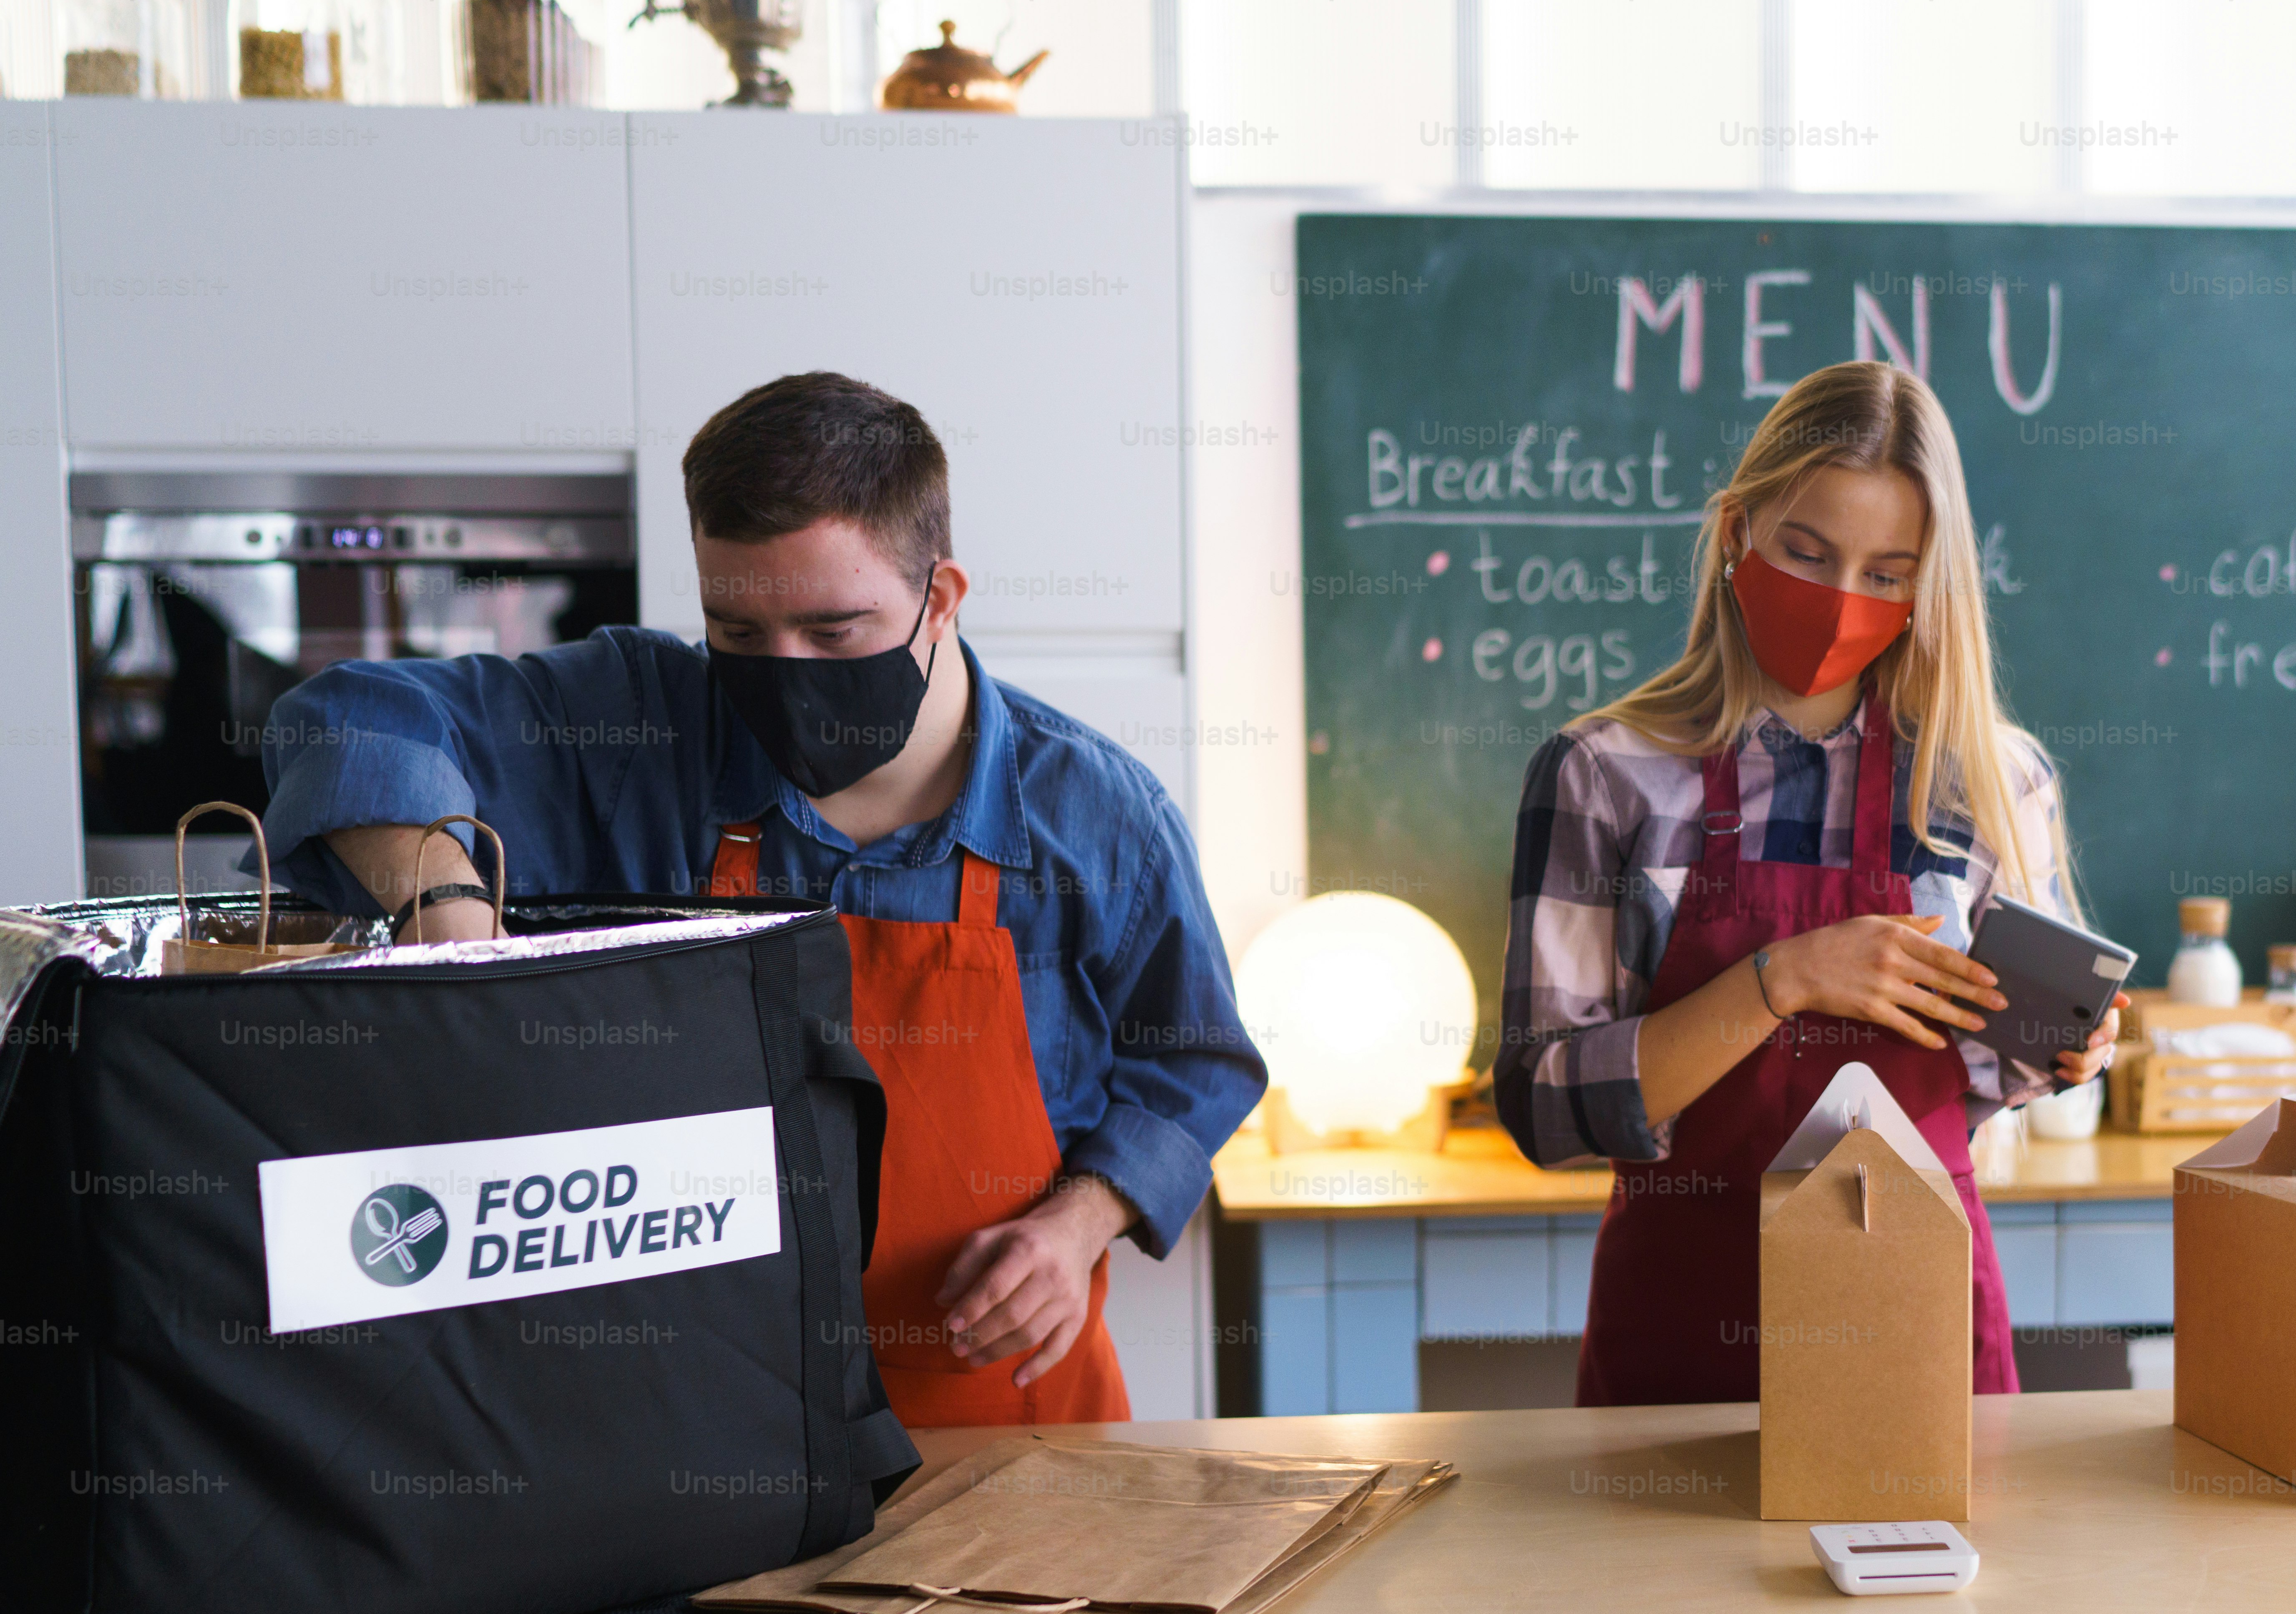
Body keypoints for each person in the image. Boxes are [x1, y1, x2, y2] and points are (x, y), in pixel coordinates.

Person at [257, 371, 1265, 1425]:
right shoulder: (640, 725)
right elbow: (350, 718)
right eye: (739, 634)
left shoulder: (1098, 816)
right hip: (703, 1422)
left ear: (942, 597)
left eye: (834, 635)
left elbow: (1194, 1059)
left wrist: (1078, 1223)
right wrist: (453, 930)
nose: (784, 674)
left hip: (997, 1417)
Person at [1493, 361, 2122, 1407]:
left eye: (1887, 572)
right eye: (1807, 551)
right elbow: (1542, 1110)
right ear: (1738, 531)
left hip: (1915, 1322)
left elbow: (1988, 1075)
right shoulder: (1603, 773)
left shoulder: (1994, 781)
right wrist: (1781, 979)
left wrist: (2063, 1048)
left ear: (1931, 586)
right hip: (1685, 1322)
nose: (1842, 599)